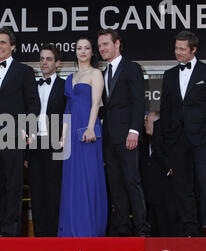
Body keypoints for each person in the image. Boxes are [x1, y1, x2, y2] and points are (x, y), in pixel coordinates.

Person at [0, 27, 41, 237]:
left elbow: (33, 104)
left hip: (14, 136)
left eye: (3, 43)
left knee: (13, 186)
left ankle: (10, 234)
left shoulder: (24, 72)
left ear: (12, 46)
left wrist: (27, 130)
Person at [160, 30, 206, 237]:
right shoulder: (169, 75)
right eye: (176, 48)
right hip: (177, 138)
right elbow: (166, 108)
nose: (177, 52)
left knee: (205, 182)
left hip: (202, 138)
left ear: (193, 49)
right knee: (182, 184)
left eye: (182, 49)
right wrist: (169, 133)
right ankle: (190, 227)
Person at [98, 29, 150, 237]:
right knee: (116, 184)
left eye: (105, 44)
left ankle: (142, 228)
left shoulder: (132, 69)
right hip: (109, 138)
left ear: (117, 44)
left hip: (127, 136)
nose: (101, 49)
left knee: (131, 180)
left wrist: (134, 131)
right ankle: (121, 229)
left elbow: (139, 102)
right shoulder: (102, 74)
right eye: (100, 45)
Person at [57, 37, 107, 237]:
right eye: (79, 48)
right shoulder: (70, 77)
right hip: (71, 135)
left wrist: (91, 128)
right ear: (75, 51)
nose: (83, 51)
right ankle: (71, 230)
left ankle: (88, 230)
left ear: (92, 52)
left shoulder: (96, 73)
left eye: (87, 48)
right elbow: (67, 109)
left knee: (89, 178)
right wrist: (62, 136)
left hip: (88, 132)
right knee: (72, 182)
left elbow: (96, 103)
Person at [26, 44, 65, 237]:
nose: (44, 62)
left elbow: (69, 116)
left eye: (49, 59)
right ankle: (40, 236)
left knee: (54, 190)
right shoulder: (32, 85)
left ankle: (54, 235)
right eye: (42, 58)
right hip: (34, 144)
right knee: (37, 190)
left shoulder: (65, 86)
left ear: (58, 63)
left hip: (56, 143)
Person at [140, 111, 178, 236]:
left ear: (157, 123)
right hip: (148, 201)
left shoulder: (168, 144)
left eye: (147, 121)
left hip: (166, 202)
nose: (144, 124)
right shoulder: (144, 143)